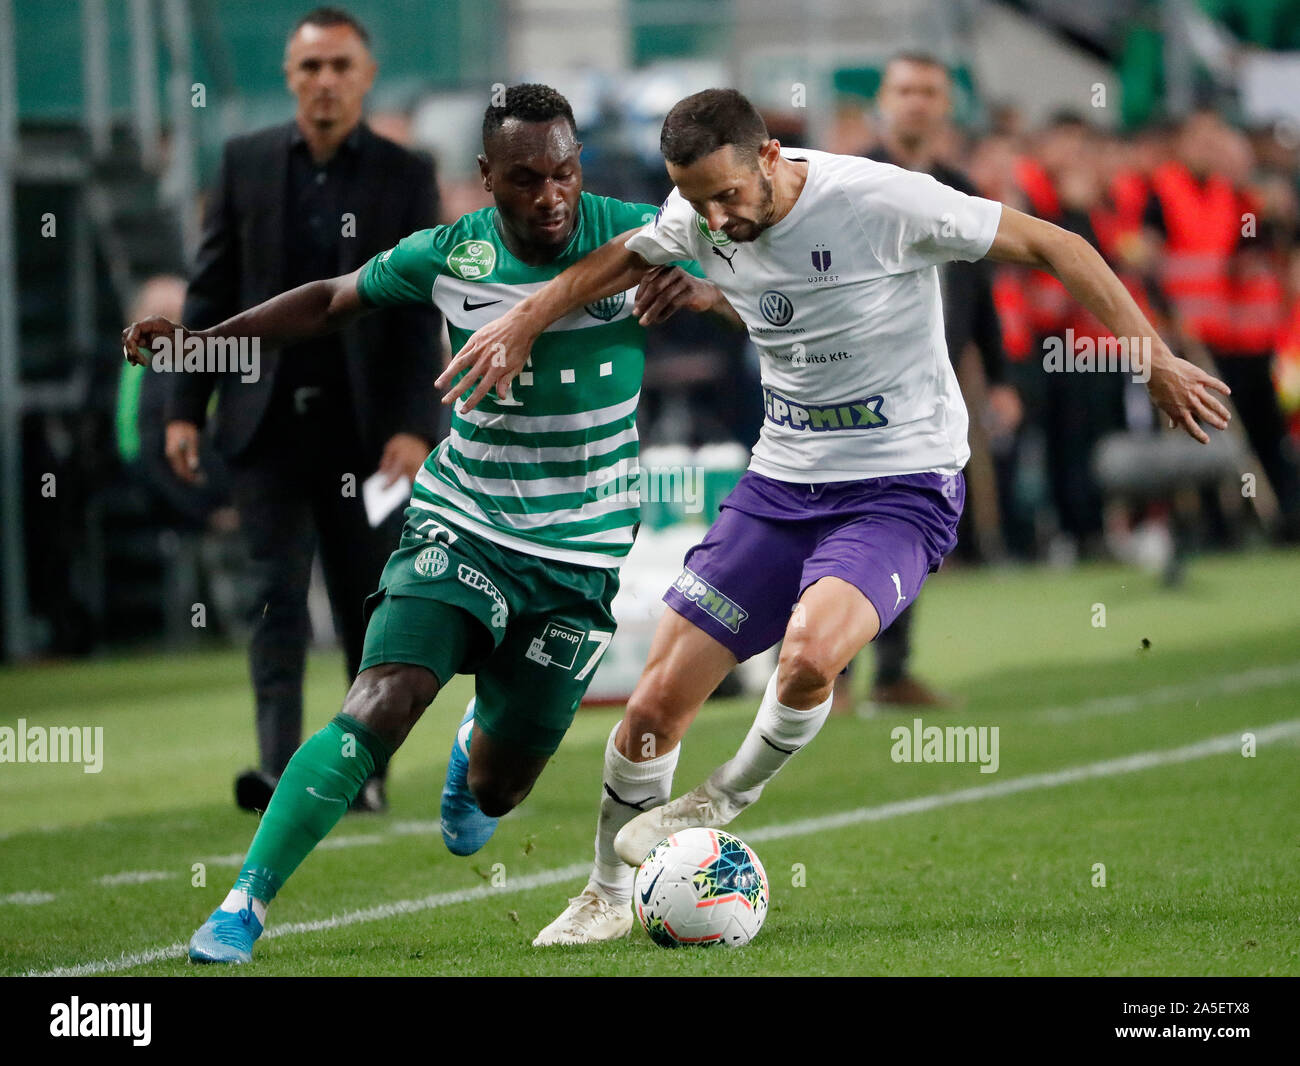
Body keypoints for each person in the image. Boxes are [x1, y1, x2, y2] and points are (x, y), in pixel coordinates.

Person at [436, 88, 1234, 946]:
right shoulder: (699, 211)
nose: (713, 217)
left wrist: (1152, 359)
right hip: (782, 484)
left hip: (901, 486)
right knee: (653, 704)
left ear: (771, 155)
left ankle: (723, 796)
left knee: (812, 655)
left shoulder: (883, 202)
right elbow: (631, 255)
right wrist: (529, 315)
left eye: (728, 196)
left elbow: (1056, 242)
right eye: (696, 200)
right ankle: (602, 892)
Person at [122, 83, 724, 965]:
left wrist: (704, 295)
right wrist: (202, 344)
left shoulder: (644, 232)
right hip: (464, 521)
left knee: (499, 789)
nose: (550, 195)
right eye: (524, 179)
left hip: (580, 555)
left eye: (563, 172)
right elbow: (329, 301)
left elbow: (762, 296)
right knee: (382, 699)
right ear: (486, 178)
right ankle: (242, 904)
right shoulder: (451, 257)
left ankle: (478, 739)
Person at [167, 7, 442, 814]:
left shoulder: (405, 173)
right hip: (265, 428)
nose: (325, 81)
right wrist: (186, 403)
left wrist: (413, 425)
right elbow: (211, 291)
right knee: (273, 602)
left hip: (365, 436)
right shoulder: (245, 162)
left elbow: (421, 309)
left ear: (365, 76)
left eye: (340, 67)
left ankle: (362, 772)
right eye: (310, 67)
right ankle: (281, 772)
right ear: (290, 78)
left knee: (370, 608)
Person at [836, 52, 1022, 713]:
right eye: (905, 90)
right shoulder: (849, 180)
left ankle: (891, 672)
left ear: (945, 106)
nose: (916, 102)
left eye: (929, 92)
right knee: (838, 527)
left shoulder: (958, 188)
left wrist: (998, 378)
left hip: (928, 393)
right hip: (849, 386)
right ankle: (826, 678)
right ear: (885, 100)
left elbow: (981, 292)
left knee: (911, 530)